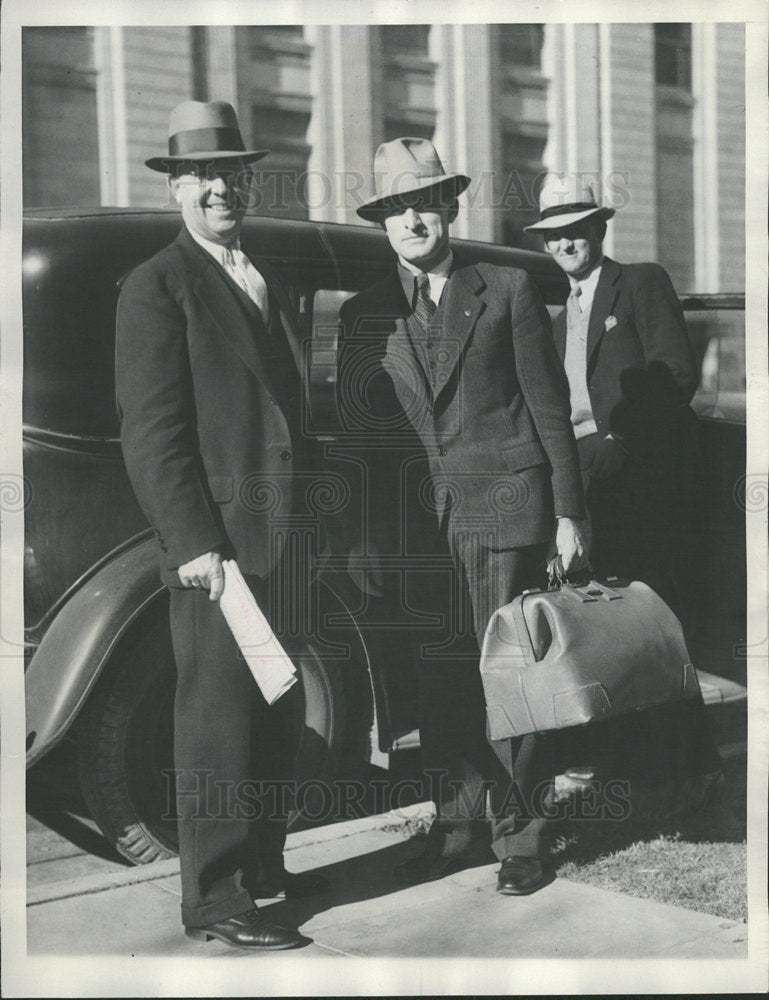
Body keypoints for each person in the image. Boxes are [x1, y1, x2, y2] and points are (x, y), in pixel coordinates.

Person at [337, 137, 589, 897]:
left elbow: (548, 410)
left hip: (507, 513)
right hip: (418, 529)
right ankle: (454, 829)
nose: (411, 219)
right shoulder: (364, 313)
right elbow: (363, 441)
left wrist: (568, 515)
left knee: (509, 684)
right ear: (382, 223)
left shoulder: (505, 288)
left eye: (423, 202)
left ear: (449, 206)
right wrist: (362, 539)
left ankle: (520, 839)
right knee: (440, 682)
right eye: (394, 209)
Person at [115, 100, 327, 950]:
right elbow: (153, 432)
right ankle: (214, 899)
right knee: (214, 723)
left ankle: (263, 872)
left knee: (276, 710)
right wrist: (194, 542)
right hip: (218, 548)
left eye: (231, 174)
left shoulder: (256, 268)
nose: (218, 189)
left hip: (281, 537)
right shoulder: (156, 286)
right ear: (176, 190)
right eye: (201, 176)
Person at [524, 174, 722, 804]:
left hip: (645, 482)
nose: (565, 243)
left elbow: (673, 375)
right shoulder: (556, 321)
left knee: (657, 627)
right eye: (553, 235)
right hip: (587, 485)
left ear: (599, 229)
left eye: (576, 230)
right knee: (602, 630)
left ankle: (692, 771)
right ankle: (622, 767)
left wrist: (617, 446)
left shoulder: (639, 283)